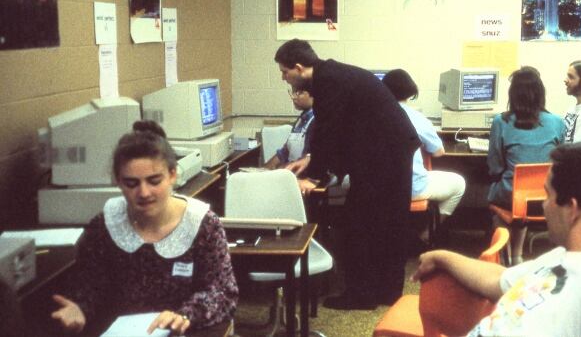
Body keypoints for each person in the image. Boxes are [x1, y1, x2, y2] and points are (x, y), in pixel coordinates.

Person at [413, 142, 581, 337]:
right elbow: (496, 279)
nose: (543, 206)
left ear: (571, 209)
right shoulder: (563, 258)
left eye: (547, 195)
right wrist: (442, 257)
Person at [50, 121, 238, 335]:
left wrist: (185, 315)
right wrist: (80, 308)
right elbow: (90, 284)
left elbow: (222, 292)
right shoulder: (105, 226)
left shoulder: (203, 225)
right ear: (118, 181)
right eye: (132, 183)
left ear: (172, 175)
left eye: (154, 181)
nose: (144, 192)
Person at [274, 39, 419, 310]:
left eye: (285, 72)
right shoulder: (332, 75)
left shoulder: (328, 81)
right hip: (390, 150)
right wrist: (311, 159)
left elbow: (329, 131)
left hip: (383, 154)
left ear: (298, 67)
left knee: (359, 225)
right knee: (388, 224)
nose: (285, 79)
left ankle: (361, 296)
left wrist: (313, 176)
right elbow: (338, 131)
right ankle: (387, 292)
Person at [487, 67, 566, 261]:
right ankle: (518, 254)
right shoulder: (557, 122)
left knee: (503, 196)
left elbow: (495, 167)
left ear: (512, 94)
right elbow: (561, 161)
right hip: (545, 195)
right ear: (541, 93)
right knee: (521, 196)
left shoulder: (500, 122)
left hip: (513, 197)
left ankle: (504, 253)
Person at [382, 69, 466, 242]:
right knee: (459, 184)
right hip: (412, 188)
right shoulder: (418, 118)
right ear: (410, 91)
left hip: (377, 189)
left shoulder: (368, 117)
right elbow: (438, 152)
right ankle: (427, 231)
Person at [263, 80, 319, 194]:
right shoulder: (301, 119)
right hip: (290, 176)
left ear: (314, 94)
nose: (293, 97)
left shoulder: (317, 121)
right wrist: (263, 172)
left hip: (302, 181)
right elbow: (284, 152)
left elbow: (310, 159)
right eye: (293, 92)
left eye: (299, 93)